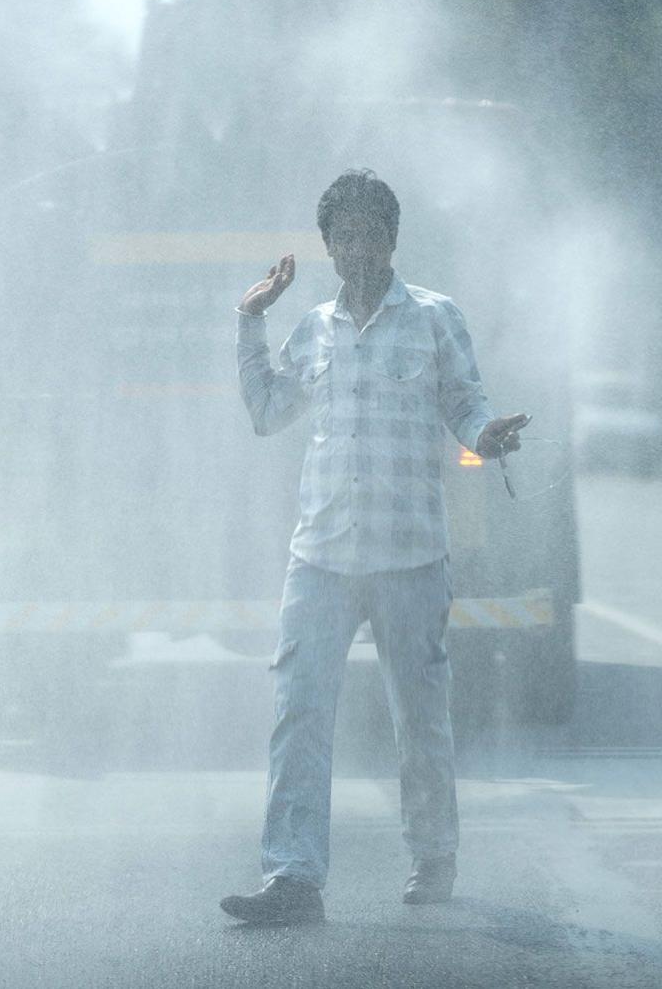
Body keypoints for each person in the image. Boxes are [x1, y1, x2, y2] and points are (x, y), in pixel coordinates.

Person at [219, 169, 528, 924]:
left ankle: (433, 857)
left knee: (418, 717)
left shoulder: (433, 317)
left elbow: (466, 402)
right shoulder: (312, 330)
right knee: (299, 710)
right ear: (328, 246)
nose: (360, 248)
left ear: (394, 238)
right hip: (321, 555)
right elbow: (266, 413)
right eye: (344, 235)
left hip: (410, 556)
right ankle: (293, 877)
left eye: (372, 233)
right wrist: (250, 321)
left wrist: (485, 437)